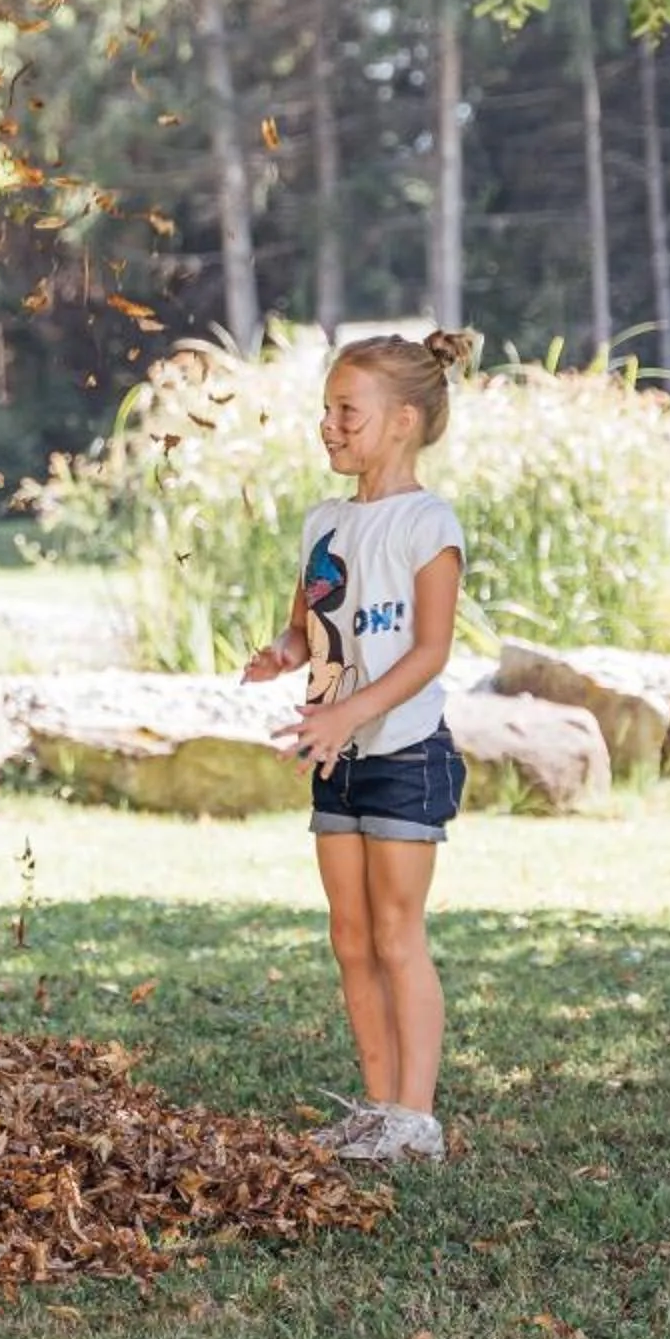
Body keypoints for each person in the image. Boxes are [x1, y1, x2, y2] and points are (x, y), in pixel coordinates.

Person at [242, 329, 481, 1164]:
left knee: (394, 934)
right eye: (326, 412)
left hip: (405, 754)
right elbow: (312, 625)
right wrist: (284, 652)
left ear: (404, 421)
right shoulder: (326, 522)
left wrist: (351, 715)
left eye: (348, 412)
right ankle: (377, 1109)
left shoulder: (429, 523)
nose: (330, 426)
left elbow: (429, 652)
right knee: (349, 936)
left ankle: (417, 1120)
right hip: (333, 754)